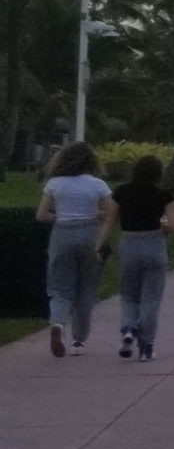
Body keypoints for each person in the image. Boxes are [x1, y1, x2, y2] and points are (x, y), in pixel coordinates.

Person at [35, 142, 113, 357]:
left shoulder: (55, 183)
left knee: (60, 288)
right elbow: (110, 213)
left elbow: (41, 215)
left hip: (62, 234)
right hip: (90, 234)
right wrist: (94, 216)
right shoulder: (98, 184)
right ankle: (79, 340)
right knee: (87, 288)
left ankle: (58, 324)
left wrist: (61, 216)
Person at [110, 155, 174, 361]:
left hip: (129, 243)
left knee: (129, 294)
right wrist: (163, 225)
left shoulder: (121, 192)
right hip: (154, 244)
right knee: (151, 298)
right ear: (158, 174)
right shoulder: (163, 195)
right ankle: (146, 347)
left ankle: (129, 328)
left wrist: (101, 244)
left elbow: (111, 220)